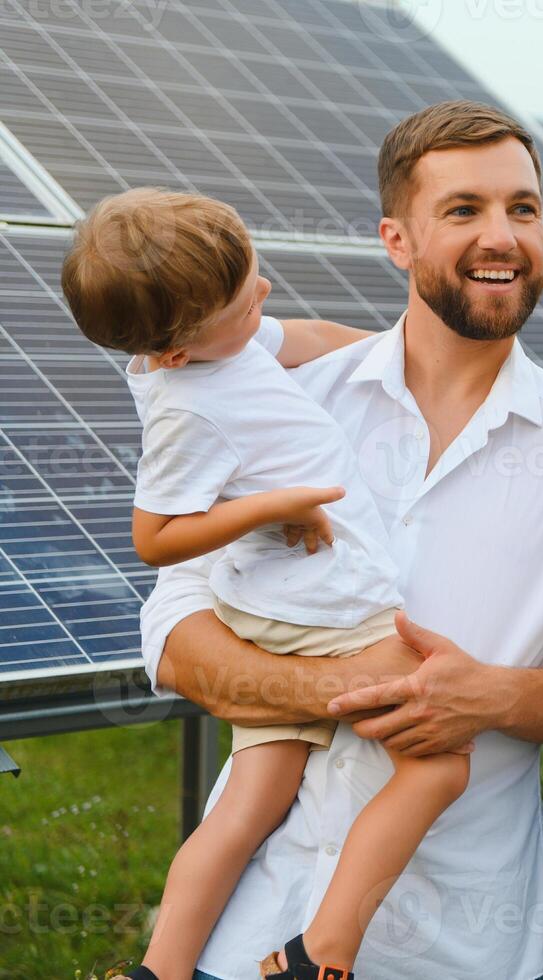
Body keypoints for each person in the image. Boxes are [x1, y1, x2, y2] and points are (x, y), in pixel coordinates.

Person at [130, 101, 543, 979]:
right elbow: (175, 632)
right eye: (463, 210)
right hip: (252, 915)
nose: (503, 236)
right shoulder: (288, 400)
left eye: (522, 209)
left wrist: (484, 699)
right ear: (396, 240)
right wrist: (328, 686)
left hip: (459, 943)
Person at [61, 187, 476, 980]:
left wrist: (410, 368)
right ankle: (321, 949)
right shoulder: (187, 408)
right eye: (246, 298)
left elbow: (309, 338)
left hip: (279, 600)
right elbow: (155, 536)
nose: (264, 293)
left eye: (253, 274)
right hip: (323, 614)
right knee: (442, 760)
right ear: (175, 352)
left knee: (253, 801)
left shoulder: (217, 340)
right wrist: (272, 503)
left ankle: (161, 969)